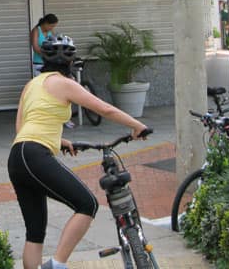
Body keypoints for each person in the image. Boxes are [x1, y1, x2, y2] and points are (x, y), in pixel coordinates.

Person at [8, 35, 148, 269]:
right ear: (71, 62)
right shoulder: (64, 83)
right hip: (34, 154)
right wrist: (137, 126)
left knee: (35, 232)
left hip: (17, 157)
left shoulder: (30, 86)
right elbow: (104, 109)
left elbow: (22, 128)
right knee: (87, 204)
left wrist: (59, 141)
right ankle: (57, 264)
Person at [30, 14, 58, 78]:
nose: (52, 28)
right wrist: (47, 55)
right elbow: (35, 48)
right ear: (45, 23)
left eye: (54, 26)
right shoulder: (36, 31)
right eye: (51, 26)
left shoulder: (51, 31)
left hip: (50, 63)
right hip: (39, 63)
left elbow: (55, 44)